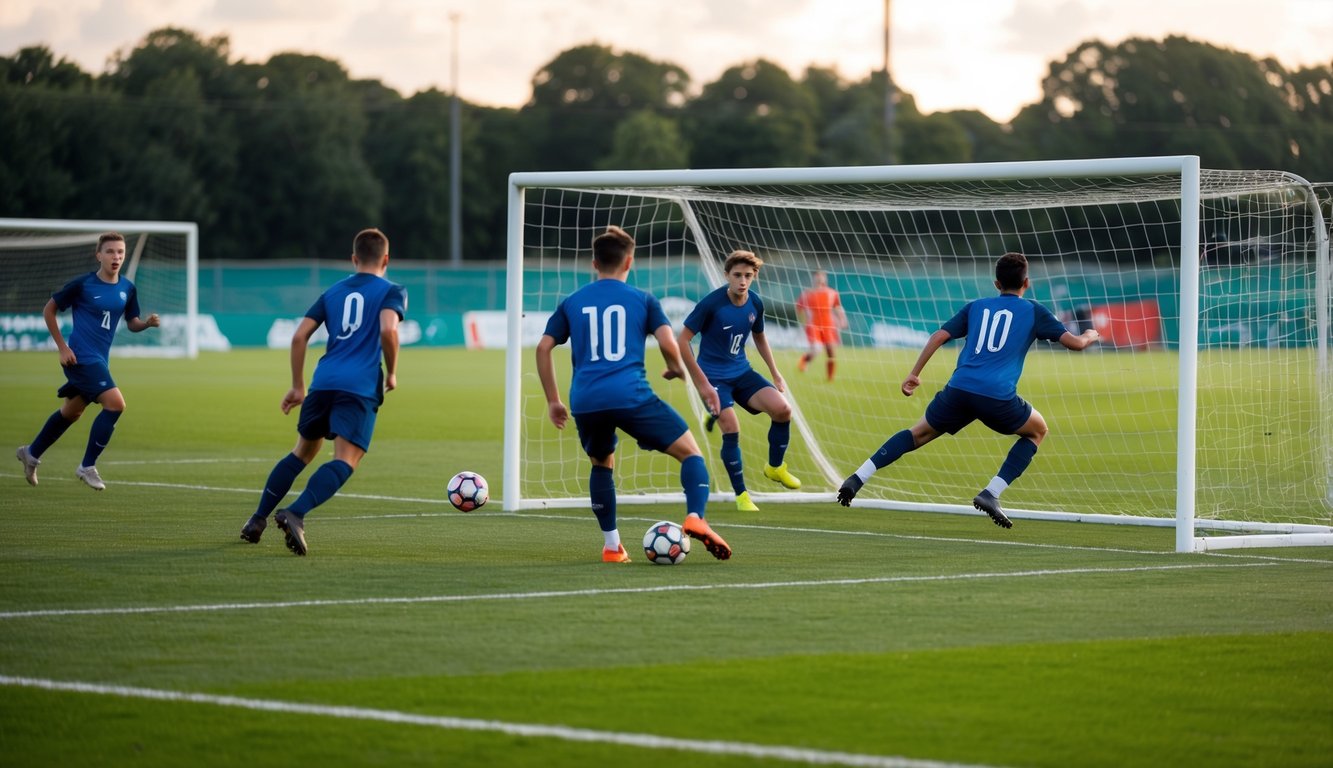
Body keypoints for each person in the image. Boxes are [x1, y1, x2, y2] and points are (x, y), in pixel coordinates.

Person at [836, 252, 1100, 528]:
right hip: (997, 396)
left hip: (959, 389)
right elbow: (1076, 344)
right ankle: (991, 493)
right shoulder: (1034, 310)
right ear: (1027, 283)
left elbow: (939, 336)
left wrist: (914, 374)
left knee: (918, 434)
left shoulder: (975, 306)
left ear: (997, 284)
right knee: (1038, 430)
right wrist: (1090, 335)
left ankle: (858, 477)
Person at [536, 225, 731, 563]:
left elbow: (543, 347)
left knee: (601, 463)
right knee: (691, 454)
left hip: (586, 400)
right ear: (629, 261)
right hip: (630, 395)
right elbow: (669, 342)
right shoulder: (643, 299)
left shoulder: (571, 301)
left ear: (594, 263)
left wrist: (554, 400)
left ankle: (612, 548)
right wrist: (673, 367)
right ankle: (695, 517)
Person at [239, 228, 406, 556]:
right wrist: (393, 371)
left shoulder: (333, 291)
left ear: (354, 259)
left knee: (301, 452)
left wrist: (297, 384)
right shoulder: (392, 290)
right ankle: (295, 513)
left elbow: (299, 337)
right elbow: (389, 329)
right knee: (346, 459)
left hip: (323, 381)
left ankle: (256, 520)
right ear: (386, 259)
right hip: (358, 387)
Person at [15, 232, 160, 491]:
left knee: (72, 412)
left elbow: (131, 322)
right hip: (80, 356)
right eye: (110, 252)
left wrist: (146, 324)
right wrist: (62, 347)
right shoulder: (82, 285)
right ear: (99, 255)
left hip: (100, 359)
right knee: (116, 404)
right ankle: (87, 466)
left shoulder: (127, 288)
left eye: (120, 252)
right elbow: (49, 309)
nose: (116, 257)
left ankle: (31, 453)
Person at [680, 250, 801, 513]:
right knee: (732, 427)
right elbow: (682, 339)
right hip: (713, 378)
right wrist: (700, 382)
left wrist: (775, 372)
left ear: (754, 276)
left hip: (741, 372)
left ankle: (775, 467)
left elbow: (759, 336)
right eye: (737, 275)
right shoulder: (712, 304)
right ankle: (742, 495)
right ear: (727, 276)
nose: (742, 281)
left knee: (783, 410)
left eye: (748, 275)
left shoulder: (755, 303)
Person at [795, 269, 848, 381]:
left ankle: (830, 378)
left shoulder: (832, 293)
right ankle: (805, 360)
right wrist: (803, 321)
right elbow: (799, 308)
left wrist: (842, 319)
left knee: (831, 352)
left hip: (829, 325)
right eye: (817, 276)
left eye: (822, 276)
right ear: (813, 278)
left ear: (825, 278)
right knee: (816, 349)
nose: (820, 278)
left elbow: (838, 307)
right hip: (813, 325)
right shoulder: (807, 294)